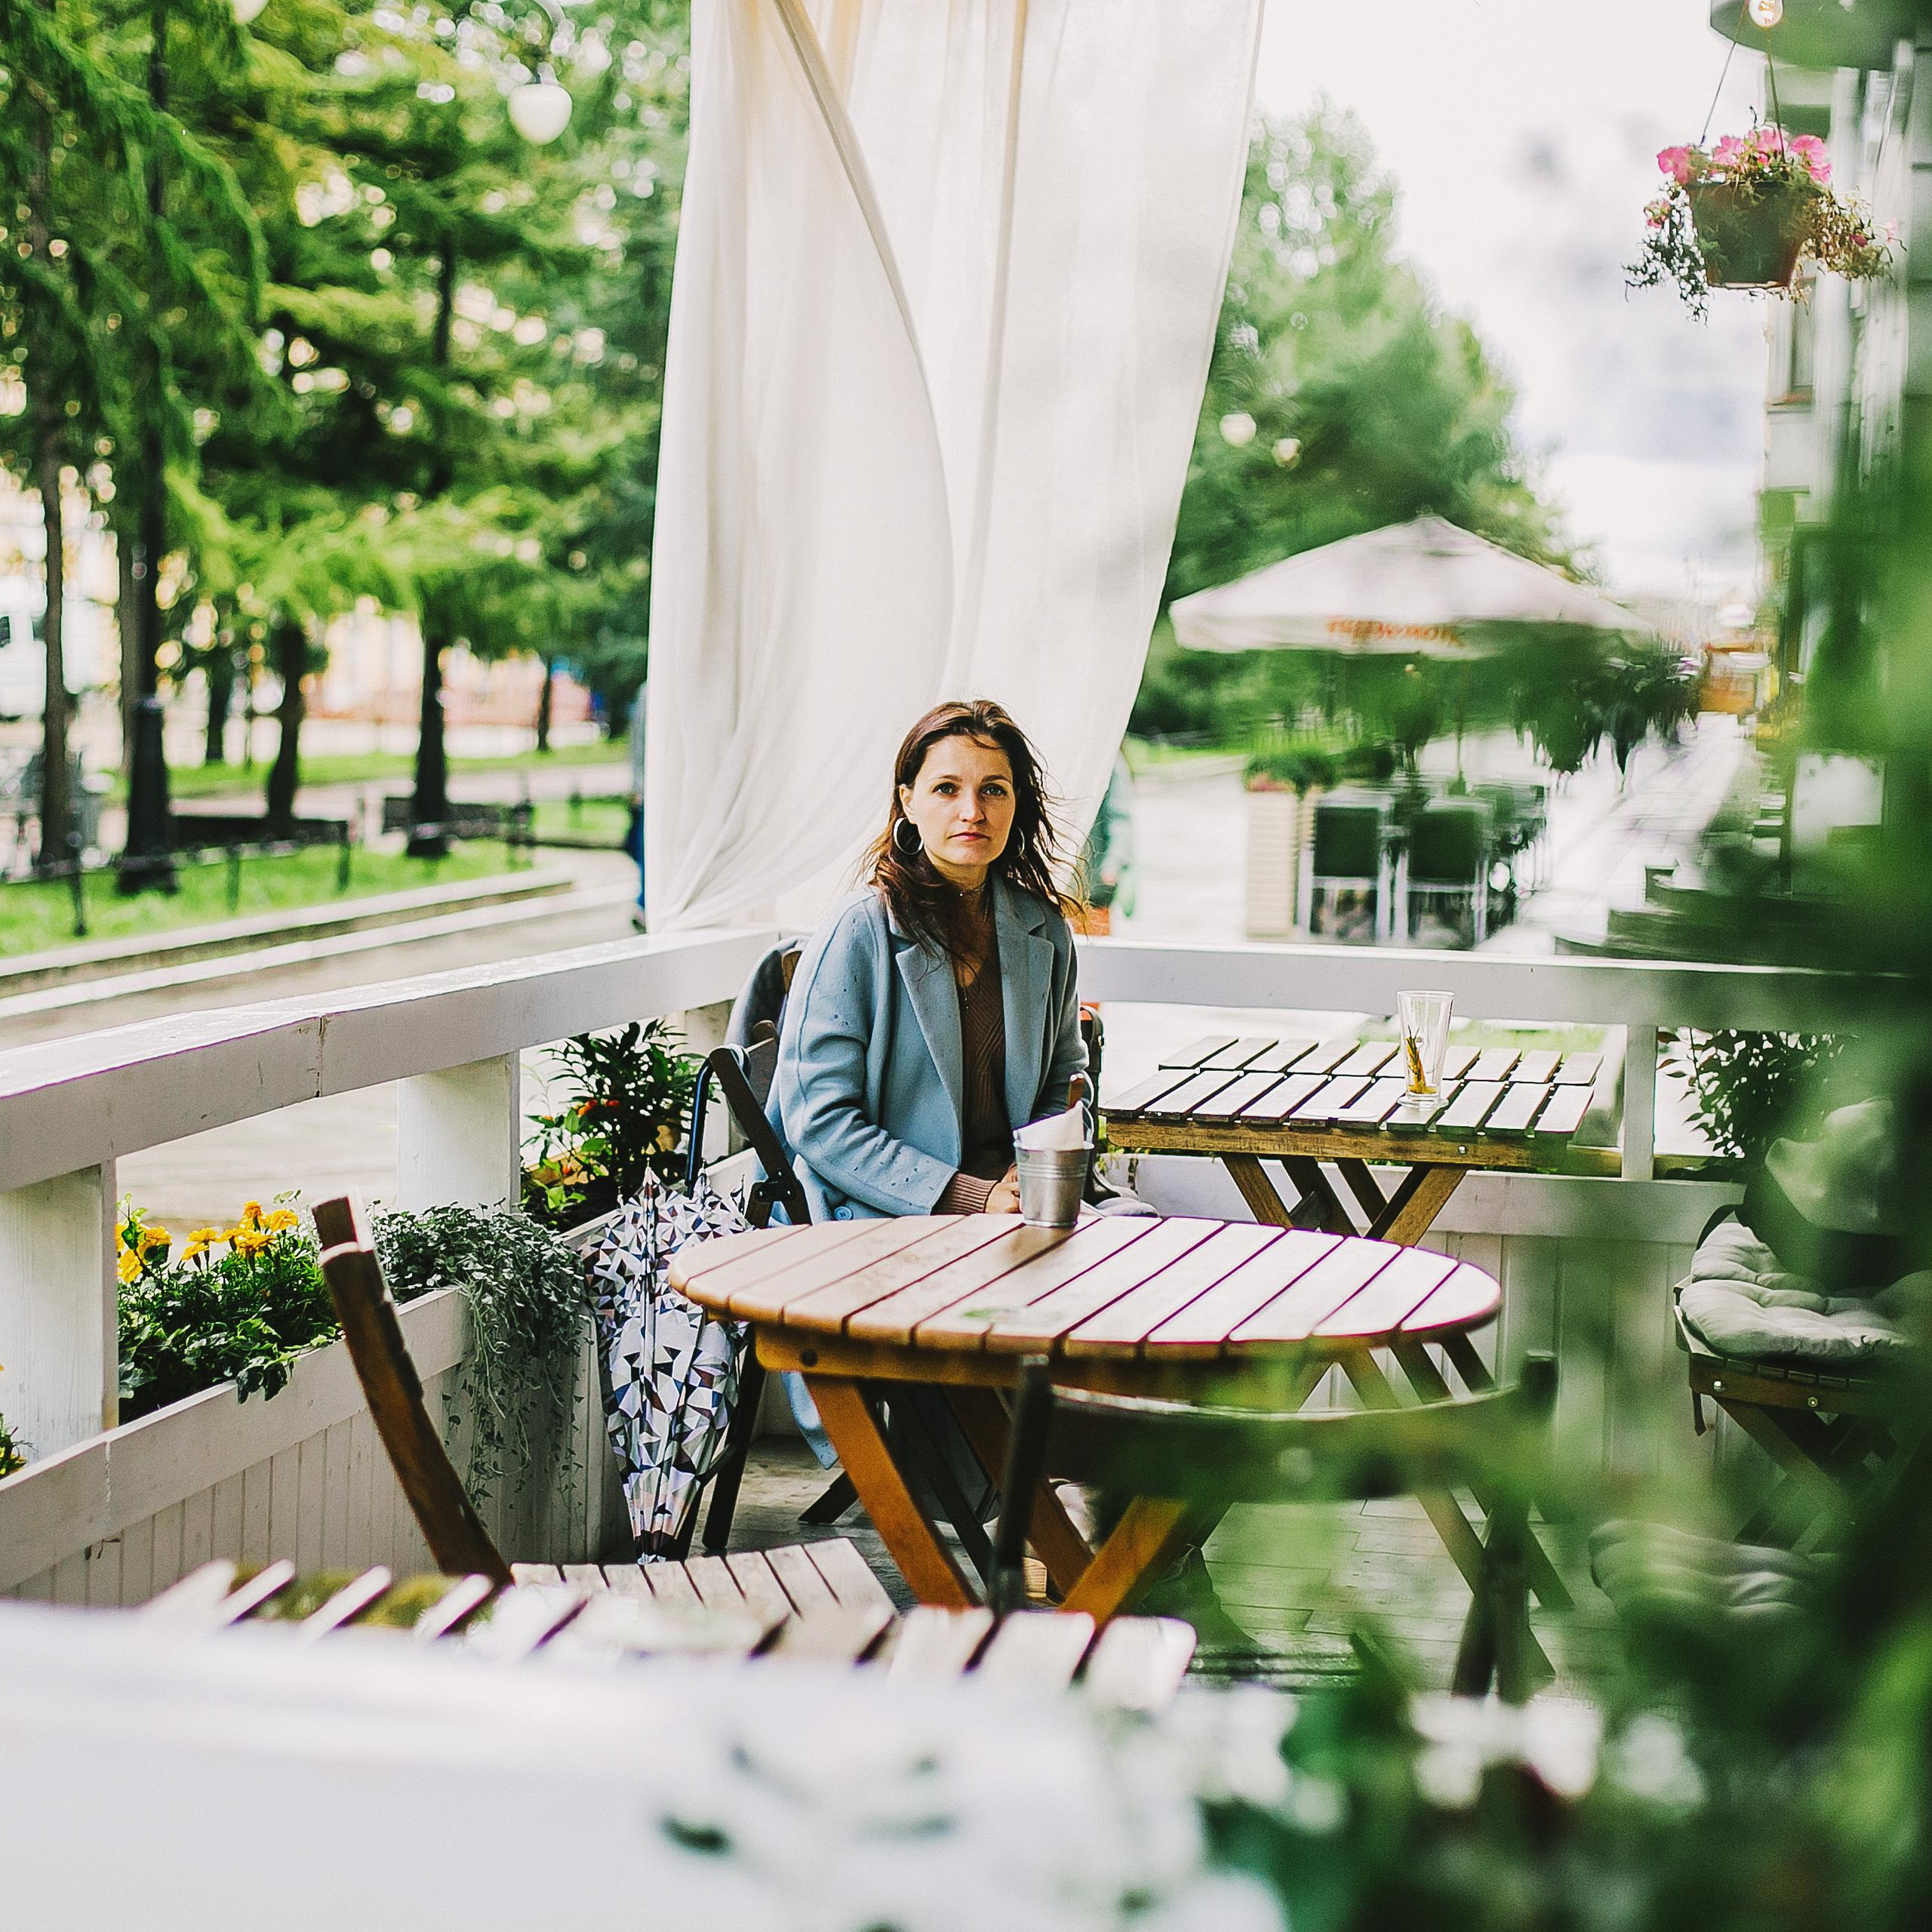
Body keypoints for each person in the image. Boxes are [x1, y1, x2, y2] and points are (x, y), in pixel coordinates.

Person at [774, 697, 1085, 1221]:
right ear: (909, 801)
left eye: (993, 789)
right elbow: (819, 1122)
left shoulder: (1044, 930)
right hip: (877, 1213)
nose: (973, 811)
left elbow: (1066, 1080)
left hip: (1018, 1210)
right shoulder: (859, 930)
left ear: (1016, 803)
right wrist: (967, 1196)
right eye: (947, 789)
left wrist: (1029, 1173)